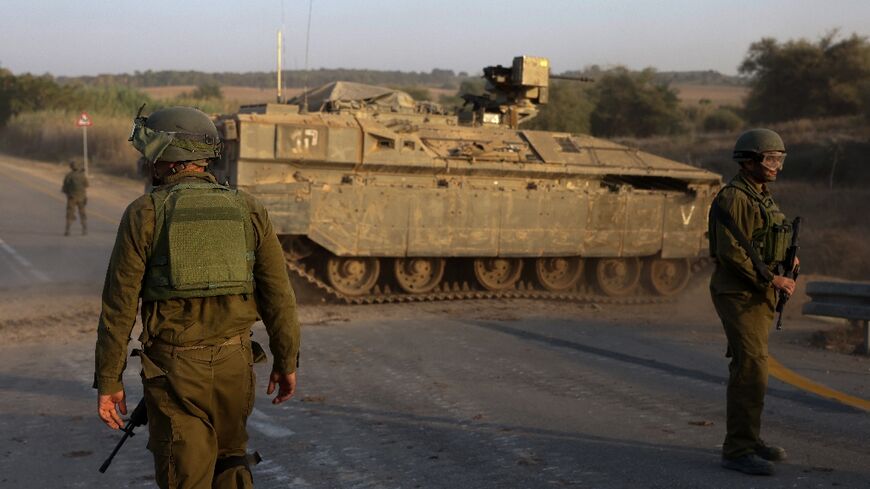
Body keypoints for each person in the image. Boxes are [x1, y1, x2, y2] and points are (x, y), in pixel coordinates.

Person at [94, 106, 301, 489]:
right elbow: (279, 295)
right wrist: (286, 360)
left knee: (185, 475)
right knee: (232, 464)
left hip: (175, 371)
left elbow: (119, 308)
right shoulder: (249, 208)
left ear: (165, 160)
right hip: (235, 367)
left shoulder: (144, 214)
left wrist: (109, 380)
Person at [708, 128, 797, 476]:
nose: (776, 165)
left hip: (758, 293)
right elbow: (732, 253)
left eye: (780, 159)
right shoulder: (735, 198)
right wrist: (772, 278)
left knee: (752, 367)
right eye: (770, 159)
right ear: (748, 161)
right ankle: (737, 449)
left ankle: (749, 438)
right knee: (751, 368)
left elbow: (765, 240)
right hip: (738, 293)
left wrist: (788, 262)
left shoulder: (761, 195)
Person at [61, 159, 88, 236]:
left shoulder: (69, 176)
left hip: (72, 198)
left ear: (71, 167)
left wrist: (69, 193)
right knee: (82, 213)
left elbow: (64, 188)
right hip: (81, 198)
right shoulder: (82, 175)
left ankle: (67, 230)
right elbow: (86, 185)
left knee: (69, 214)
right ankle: (84, 230)